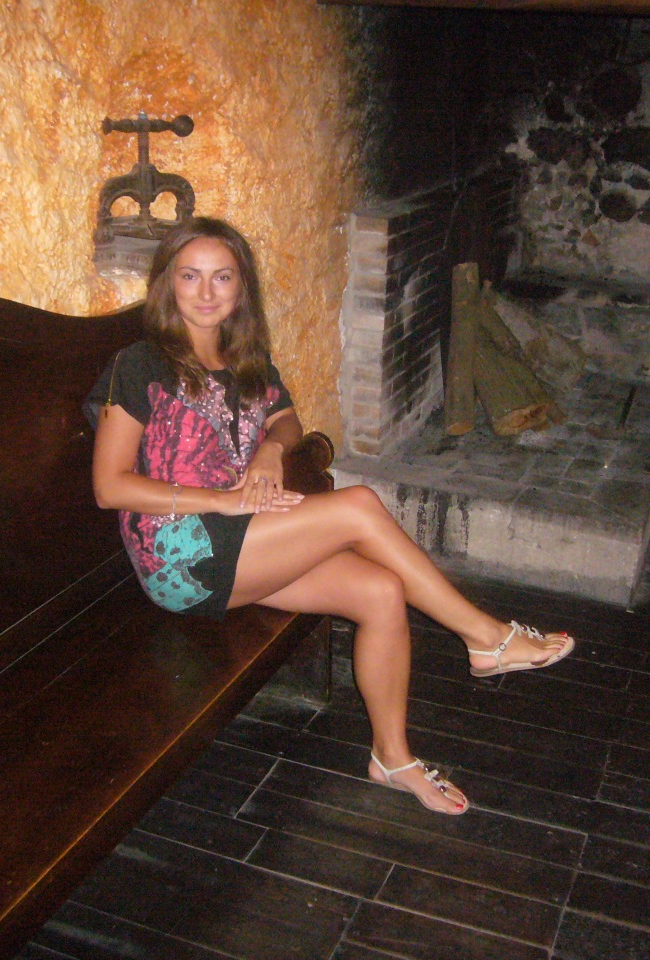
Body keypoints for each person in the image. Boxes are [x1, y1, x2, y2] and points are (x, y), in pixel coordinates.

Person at [86, 217, 575, 815]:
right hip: (179, 555)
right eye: (190, 276)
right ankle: (487, 638)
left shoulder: (247, 360)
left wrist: (271, 449)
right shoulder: (141, 363)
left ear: (242, 288)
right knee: (359, 506)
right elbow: (110, 487)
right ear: (167, 283)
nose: (207, 292)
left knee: (381, 591)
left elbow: (286, 421)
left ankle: (392, 758)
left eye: (223, 277)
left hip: (244, 536)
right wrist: (220, 500)